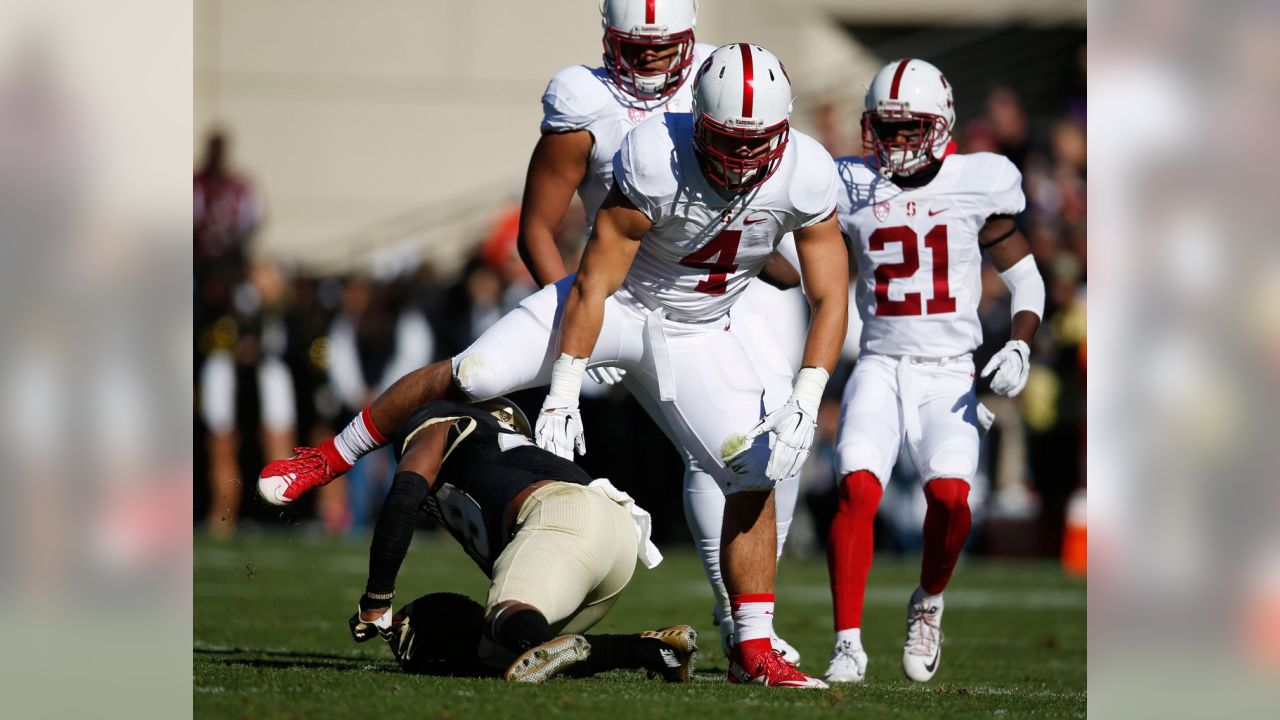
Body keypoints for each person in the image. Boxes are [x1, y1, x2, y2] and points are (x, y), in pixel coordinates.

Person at [260, 42, 845, 688]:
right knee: (474, 372)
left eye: (753, 142)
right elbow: (594, 283)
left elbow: (830, 294)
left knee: (753, 470)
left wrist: (810, 391)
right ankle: (327, 457)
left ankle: (752, 649)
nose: (739, 158)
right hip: (617, 302)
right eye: (725, 140)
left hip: (699, 330)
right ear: (698, 122)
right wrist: (565, 389)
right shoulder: (658, 152)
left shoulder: (806, 171)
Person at [513, 0, 802, 659]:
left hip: (720, 292)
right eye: (633, 44)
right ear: (609, 37)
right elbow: (537, 229)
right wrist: (576, 328)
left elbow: (753, 187)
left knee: (780, 439)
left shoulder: (722, 77)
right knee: (721, 449)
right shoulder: (584, 99)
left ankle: (748, 611)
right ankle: (740, 620)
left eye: (662, 43)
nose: (648, 56)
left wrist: (777, 260)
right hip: (631, 303)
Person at [822, 59, 1044, 684]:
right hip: (880, 363)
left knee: (950, 499)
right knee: (856, 488)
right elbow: (799, 264)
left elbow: (1026, 280)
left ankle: (929, 601)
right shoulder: (849, 185)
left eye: (907, 128)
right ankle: (847, 643)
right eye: (883, 129)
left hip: (950, 372)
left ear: (940, 124)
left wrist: (1021, 344)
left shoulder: (979, 181)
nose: (893, 142)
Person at [348, 396, 696, 683]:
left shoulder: (447, 422)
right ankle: (654, 651)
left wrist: (377, 597)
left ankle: (533, 631)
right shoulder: (514, 456)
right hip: (615, 537)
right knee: (515, 655)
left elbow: (405, 494)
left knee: (509, 616)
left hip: (563, 514)